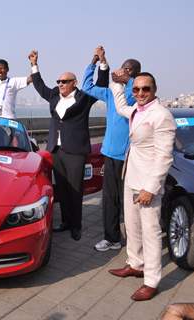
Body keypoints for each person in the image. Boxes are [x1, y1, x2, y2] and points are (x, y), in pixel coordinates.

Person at [109, 71, 176, 301]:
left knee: (151, 232)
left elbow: (164, 156)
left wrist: (151, 187)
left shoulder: (161, 115)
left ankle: (152, 280)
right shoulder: (137, 110)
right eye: (136, 89)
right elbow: (120, 107)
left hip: (147, 182)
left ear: (154, 90)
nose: (140, 93)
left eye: (145, 89)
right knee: (132, 225)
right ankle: (135, 264)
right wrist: (117, 84)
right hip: (131, 177)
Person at [28, 50, 99, 241]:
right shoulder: (54, 95)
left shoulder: (84, 98)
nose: (60, 84)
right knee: (62, 189)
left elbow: (100, 85)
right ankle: (66, 221)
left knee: (75, 189)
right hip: (56, 150)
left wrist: (99, 64)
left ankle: (76, 225)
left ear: (74, 82)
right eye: (59, 81)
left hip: (75, 151)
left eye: (64, 81)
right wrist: (34, 65)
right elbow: (40, 86)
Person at [81, 46, 141, 252]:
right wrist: (95, 61)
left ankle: (136, 241)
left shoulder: (137, 93)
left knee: (131, 202)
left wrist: (127, 80)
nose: (121, 71)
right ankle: (112, 238)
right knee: (110, 199)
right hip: (111, 154)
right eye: (122, 68)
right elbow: (86, 87)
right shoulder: (109, 93)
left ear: (132, 74)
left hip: (131, 155)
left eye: (127, 69)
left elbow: (134, 86)